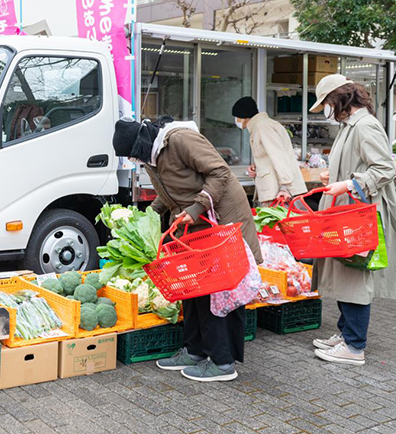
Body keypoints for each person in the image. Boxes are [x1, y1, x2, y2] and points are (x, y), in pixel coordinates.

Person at [113, 117, 262, 382]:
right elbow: (172, 190)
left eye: (134, 156)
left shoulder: (180, 140)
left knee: (216, 291)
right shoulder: (153, 156)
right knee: (191, 287)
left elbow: (220, 172)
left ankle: (223, 362)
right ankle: (194, 350)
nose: (135, 162)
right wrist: (150, 213)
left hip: (221, 220)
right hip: (196, 224)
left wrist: (196, 208)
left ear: (142, 143)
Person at [309, 74, 396, 366]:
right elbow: (357, 165)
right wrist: (333, 177)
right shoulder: (352, 125)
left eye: (326, 103)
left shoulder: (365, 125)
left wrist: (346, 185)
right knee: (344, 271)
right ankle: (346, 334)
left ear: (338, 99)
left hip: (358, 215)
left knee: (355, 275)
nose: (326, 109)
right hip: (347, 213)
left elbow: (384, 168)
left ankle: (354, 346)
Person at [232, 96, 307, 205]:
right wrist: (257, 167)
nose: (236, 121)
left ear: (243, 116)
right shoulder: (261, 125)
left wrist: (284, 187)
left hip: (278, 194)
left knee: (279, 221)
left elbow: (279, 157)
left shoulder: (262, 127)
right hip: (275, 191)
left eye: (236, 117)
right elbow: (270, 156)